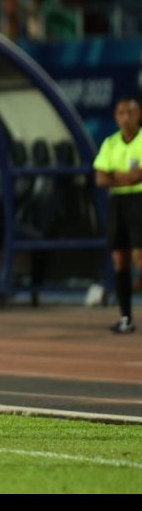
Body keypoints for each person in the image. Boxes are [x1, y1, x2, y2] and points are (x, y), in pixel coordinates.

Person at [93, 97, 142, 334]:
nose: (125, 117)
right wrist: (128, 177)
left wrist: (116, 176)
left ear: (139, 115)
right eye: (121, 113)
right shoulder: (110, 143)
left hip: (140, 200)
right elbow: (101, 178)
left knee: (140, 257)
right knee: (120, 259)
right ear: (115, 117)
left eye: (130, 112)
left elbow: (138, 177)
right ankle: (125, 318)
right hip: (118, 203)